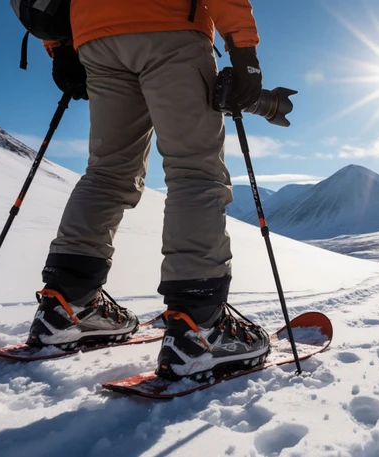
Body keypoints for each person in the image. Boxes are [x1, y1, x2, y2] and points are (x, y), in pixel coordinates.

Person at [26, 0, 271, 381]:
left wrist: (59, 46)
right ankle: (198, 326)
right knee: (195, 171)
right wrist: (244, 49)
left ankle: (65, 306)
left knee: (107, 170)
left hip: (94, 34)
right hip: (169, 27)